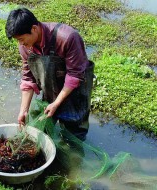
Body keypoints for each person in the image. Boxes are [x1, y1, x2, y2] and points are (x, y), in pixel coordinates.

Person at [5, 8, 94, 141]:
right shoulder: (25, 46)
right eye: (17, 40)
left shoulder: (68, 37)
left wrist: (56, 103)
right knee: (41, 130)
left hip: (75, 92)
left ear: (34, 29)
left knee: (74, 136)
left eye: (22, 39)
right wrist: (23, 110)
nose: (21, 44)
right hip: (51, 88)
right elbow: (28, 78)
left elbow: (74, 75)